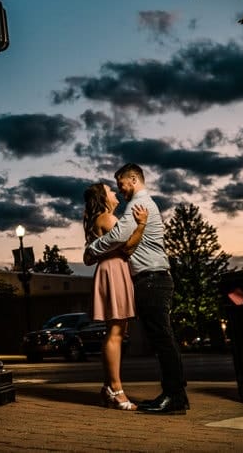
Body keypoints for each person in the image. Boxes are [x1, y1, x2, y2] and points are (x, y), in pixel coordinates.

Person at [85, 163, 188, 415]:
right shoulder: (141, 205)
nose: (119, 191)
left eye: (120, 184)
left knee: (162, 338)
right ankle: (173, 394)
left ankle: (174, 396)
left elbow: (119, 237)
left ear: (133, 180)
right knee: (160, 337)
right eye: (114, 188)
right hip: (150, 277)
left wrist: (90, 251)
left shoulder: (138, 205)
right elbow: (124, 241)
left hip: (152, 278)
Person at [83, 182, 148, 411]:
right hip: (113, 271)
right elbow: (128, 248)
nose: (114, 193)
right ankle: (116, 390)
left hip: (112, 271)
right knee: (115, 332)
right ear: (103, 197)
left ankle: (108, 388)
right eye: (110, 190)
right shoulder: (106, 218)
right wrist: (141, 225)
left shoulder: (100, 219)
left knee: (118, 331)